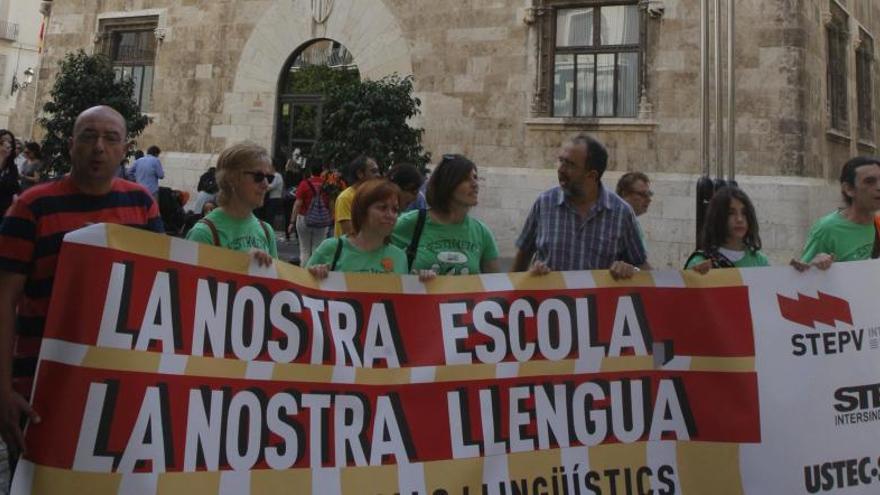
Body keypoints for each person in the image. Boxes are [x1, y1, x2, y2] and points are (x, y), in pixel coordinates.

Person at [0, 106, 163, 458]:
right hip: (41, 388)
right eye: (89, 137)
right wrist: (3, 389)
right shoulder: (31, 207)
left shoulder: (142, 204)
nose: (99, 147)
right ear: (72, 144)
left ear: (125, 149)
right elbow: (4, 300)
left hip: (122, 388)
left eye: (111, 138)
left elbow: (164, 288)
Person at [513, 134, 649, 279]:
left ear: (591, 175)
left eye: (570, 164)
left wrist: (630, 269)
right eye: (561, 161)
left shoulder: (621, 213)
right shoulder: (544, 203)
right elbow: (522, 256)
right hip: (548, 300)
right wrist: (527, 279)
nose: (561, 169)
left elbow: (641, 266)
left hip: (600, 302)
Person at [391, 154, 500, 275]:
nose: (475, 184)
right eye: (466, 179)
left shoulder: (481, 232)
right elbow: (377, 259)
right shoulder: (412, 221)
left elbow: (494, 285)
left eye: (475, 177)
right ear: (447, 184)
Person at [186, 142, 276, 265]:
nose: (266, 184)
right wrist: (240, 263)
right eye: (258, 176)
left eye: (269, 178)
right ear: (232, 178)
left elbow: (277, 281)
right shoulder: (203, 233)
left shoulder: (266, 230)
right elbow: (187, 281)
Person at [307, 178, 412, 277]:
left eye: (395, 210)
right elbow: (302, 289)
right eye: (382, 208)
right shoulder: (330, 248)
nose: (390, 215)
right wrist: (314, 276)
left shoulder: (399, 257)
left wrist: (424, 283)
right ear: (362, 211)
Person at [795, 156, 880, 269]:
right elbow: (802, 279)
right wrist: (814, 264)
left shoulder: (878, 223)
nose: (879, 187)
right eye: (869, 181)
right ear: (849, 189)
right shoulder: (826, 229)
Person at [685, 187, 769, 272]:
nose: (739, 219)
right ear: (717, 218)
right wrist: (695, 276)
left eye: (744, 213)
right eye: (731, 213)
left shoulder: (761, 262)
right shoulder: (699, 263)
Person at [289, 158, 331, 263]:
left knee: (304, 249)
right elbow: (330, 203)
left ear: (310, 170)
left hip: (304, 218)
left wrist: (292, 222)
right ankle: (314, 272)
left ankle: (304, 274)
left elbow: (298, 204)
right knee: (317, 248)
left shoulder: (304, 184)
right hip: (322, 220)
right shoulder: (326, 185)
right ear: (322, 170)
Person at [334, 154, 381, 237]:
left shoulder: (374, 196)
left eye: (378, 171)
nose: (378, 175)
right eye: (373, 171)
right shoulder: (345, 198)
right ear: (360, 174)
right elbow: (350, 232)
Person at [0, 130, 20, 218]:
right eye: (3, 142)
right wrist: (2, 157)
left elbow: (15, 189)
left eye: (10, 142)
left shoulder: (12, 167)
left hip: (5, 213)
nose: (7, 145)